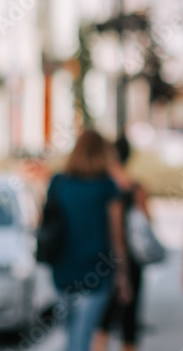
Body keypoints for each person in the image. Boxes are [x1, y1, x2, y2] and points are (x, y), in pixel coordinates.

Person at [46, 130, 130, 351]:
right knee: (82, 337)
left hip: (62, 270)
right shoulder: (107, 186)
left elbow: (46, 223)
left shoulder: (59, 183)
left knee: (71, 335)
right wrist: (123, 275)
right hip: (96, 272)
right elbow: (117, 235)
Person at [95, 137, 148, 351]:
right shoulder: (136, 188)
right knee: (129, 320)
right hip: (132, 259)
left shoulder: (101, 186)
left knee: (102, 320)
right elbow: (146, 224)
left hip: (104, 259)